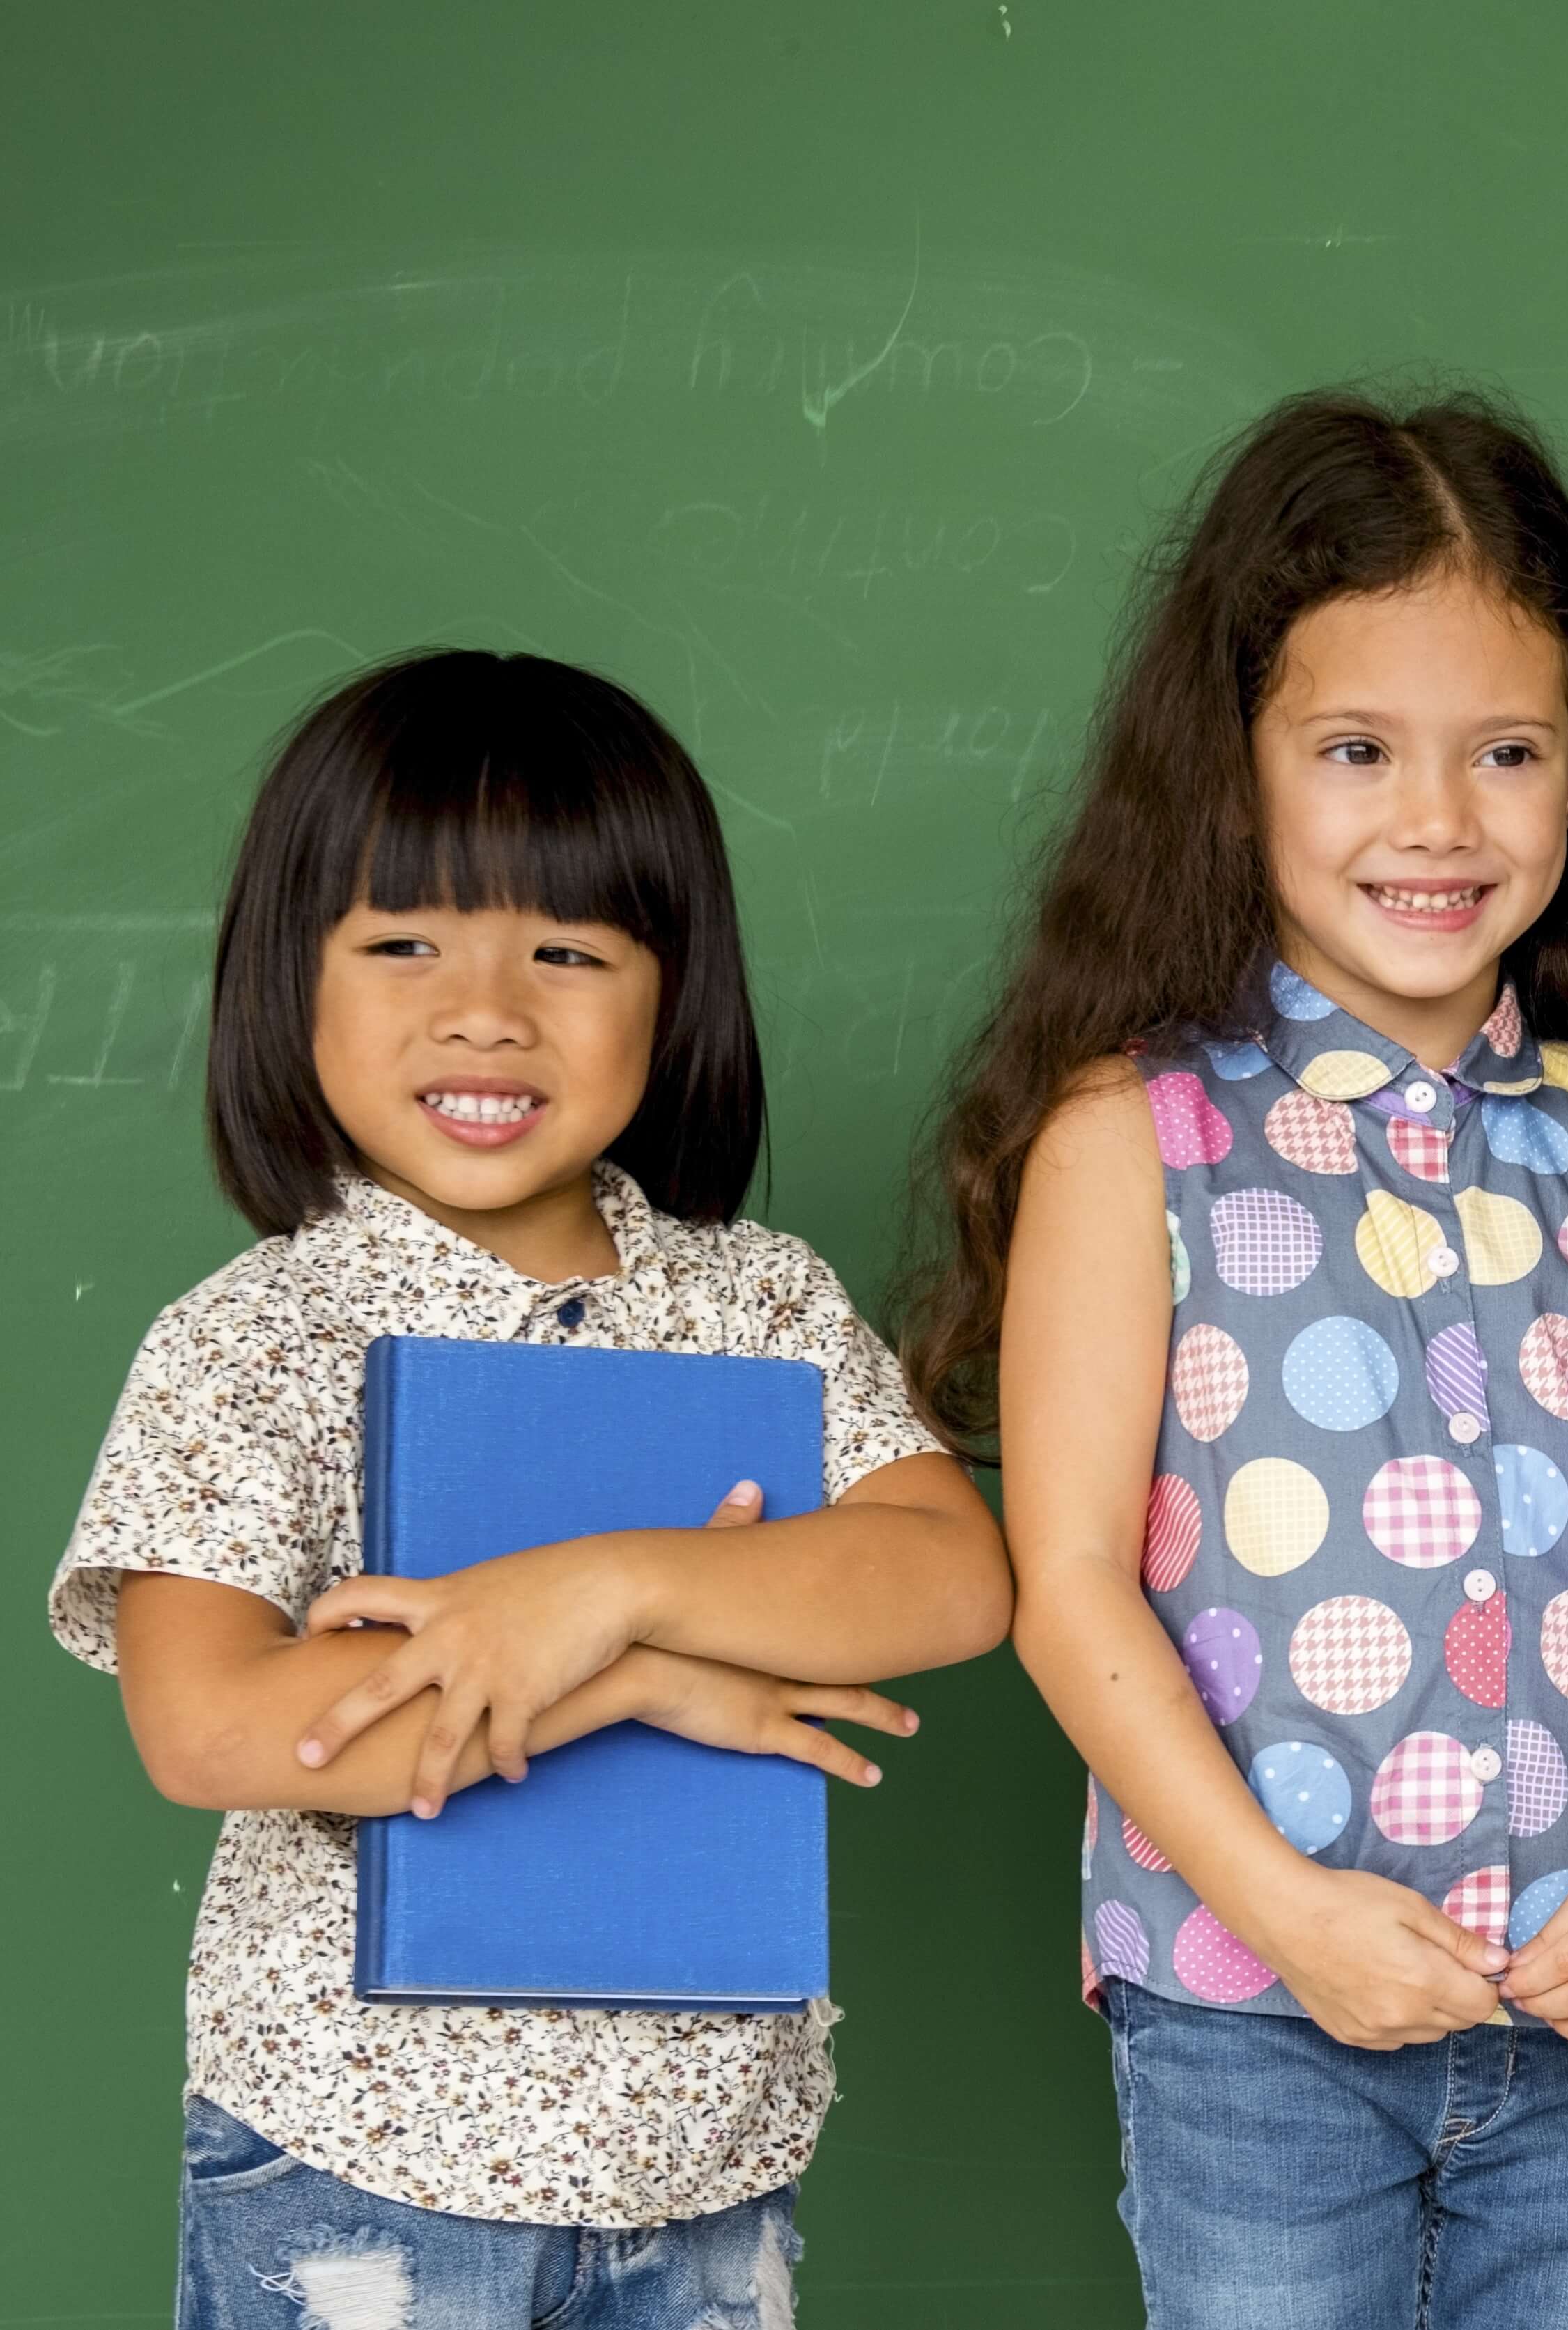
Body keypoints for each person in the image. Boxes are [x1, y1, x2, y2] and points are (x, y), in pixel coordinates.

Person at [896, 391, 1568, 2328]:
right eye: (1354, 751)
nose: (1436, 822)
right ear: (1234, 765)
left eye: (1503, 752)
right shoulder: (1135, 1136)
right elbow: (1067, 1579)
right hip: (1257, 2012)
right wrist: (1284, 1908)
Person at [53, 648, 1008, 2329]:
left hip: (706, 2169)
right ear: (295, 979)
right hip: (362, 2167)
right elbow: (210, 1727)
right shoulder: (260, 1332)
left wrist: (597, 1588)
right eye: (403, 943)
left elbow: (949, 1576)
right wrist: (636, 1679)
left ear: (673, 986)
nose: (486, 1009)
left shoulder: (755, 1300)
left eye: (569, 951)